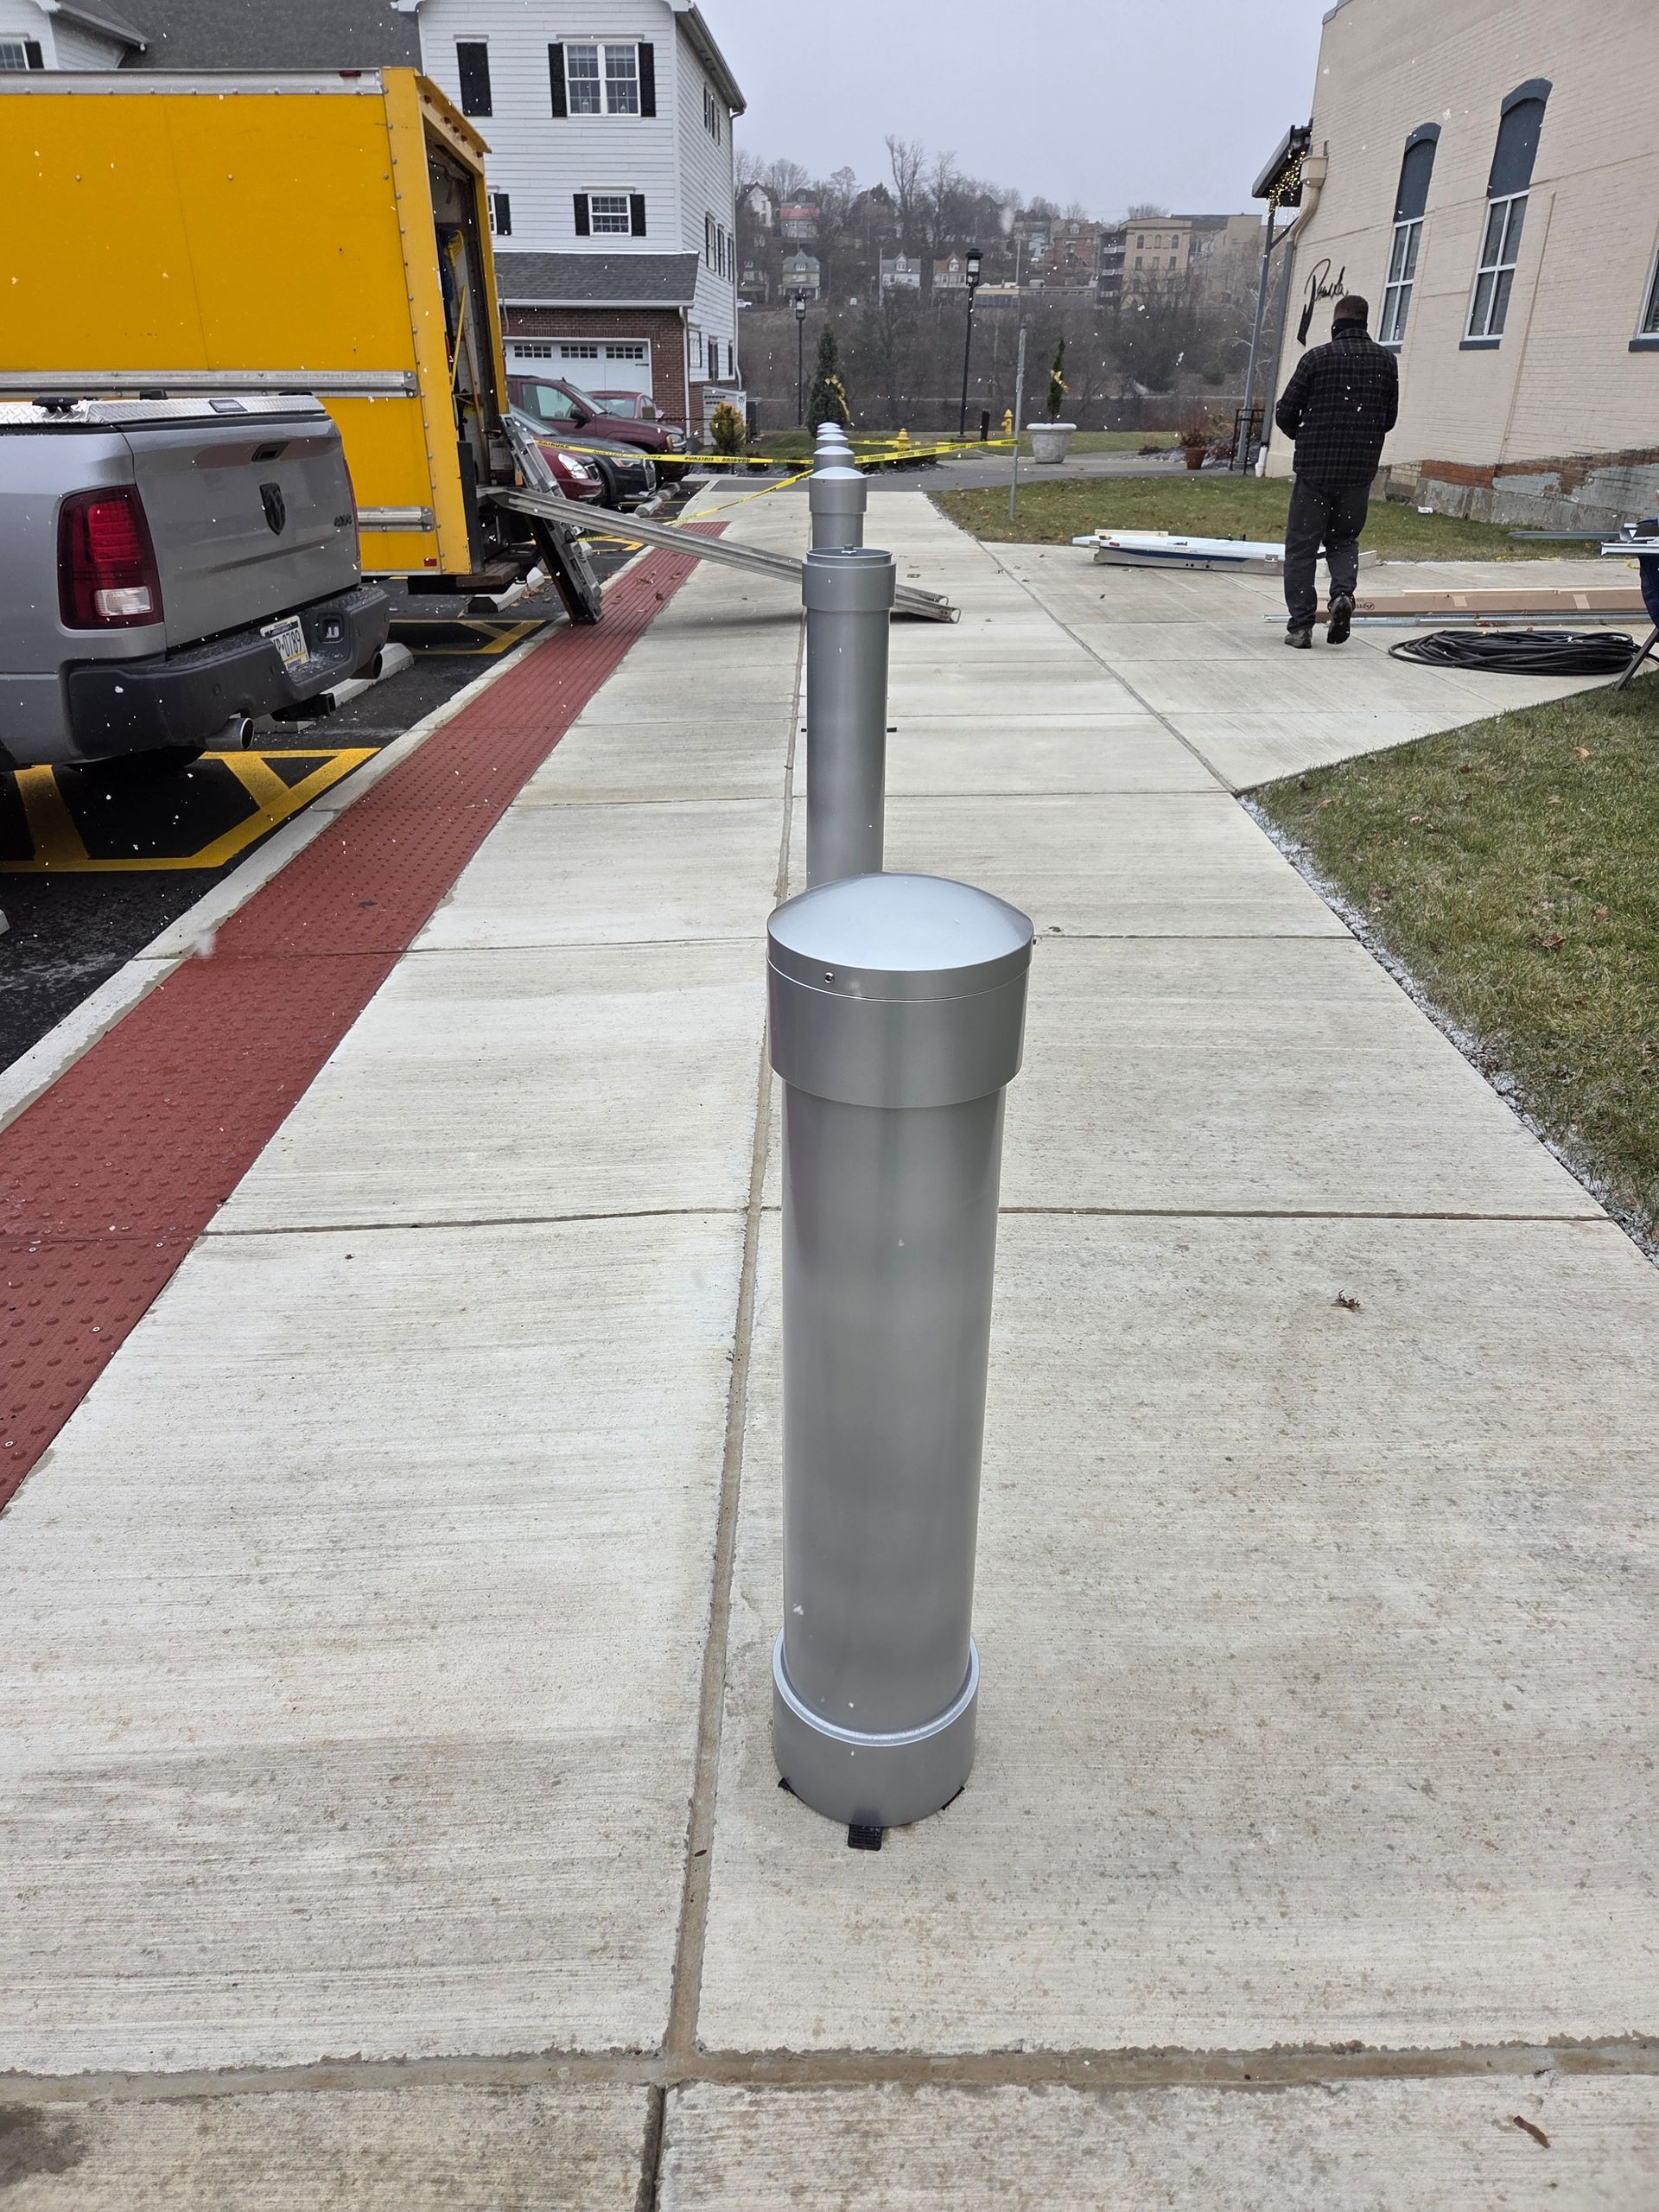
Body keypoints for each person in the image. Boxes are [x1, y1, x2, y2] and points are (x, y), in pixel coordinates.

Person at [1272, 295, 1399, 648]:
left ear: (1336, 324)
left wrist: (1306, 433)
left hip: (1315, 470)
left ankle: (1300, 627)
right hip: (1359, 472)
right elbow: (1388, 420)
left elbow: (1285, 412)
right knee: (1344, 540)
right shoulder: (1386, 362)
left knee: (1302, 548)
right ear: (1365, 322)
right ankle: (1342, 594)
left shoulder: (1316, 358)